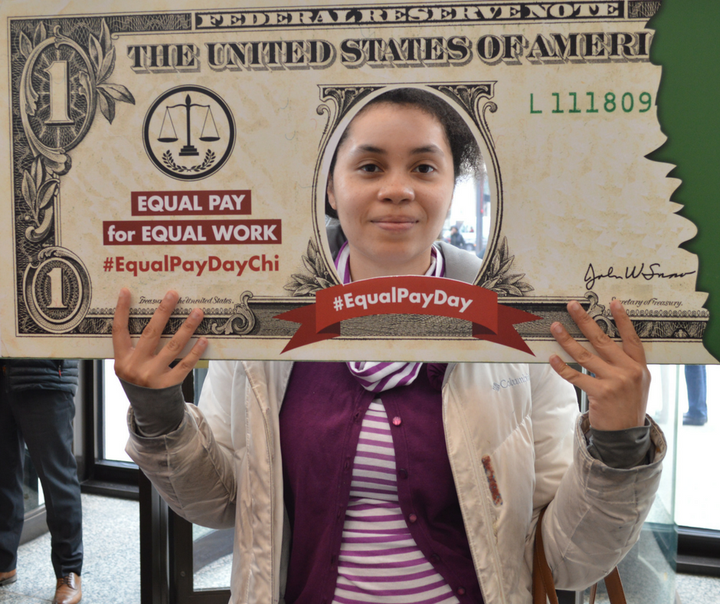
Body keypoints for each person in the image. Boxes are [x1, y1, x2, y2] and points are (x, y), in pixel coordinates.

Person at [114, 88, 664, 604]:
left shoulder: (517, 330)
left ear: (453, 185)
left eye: (424, 167)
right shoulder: (265, 325)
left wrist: (620, 444)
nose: (397, 188)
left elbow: (568, 559)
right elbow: (219, 503)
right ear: (330, 187)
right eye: (370, 165)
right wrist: (160, 415)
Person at [0, 359, 83, 604]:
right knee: (2, 474)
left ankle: (69, 572)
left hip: (45, 375)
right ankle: (4, 563)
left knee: (57, 478)